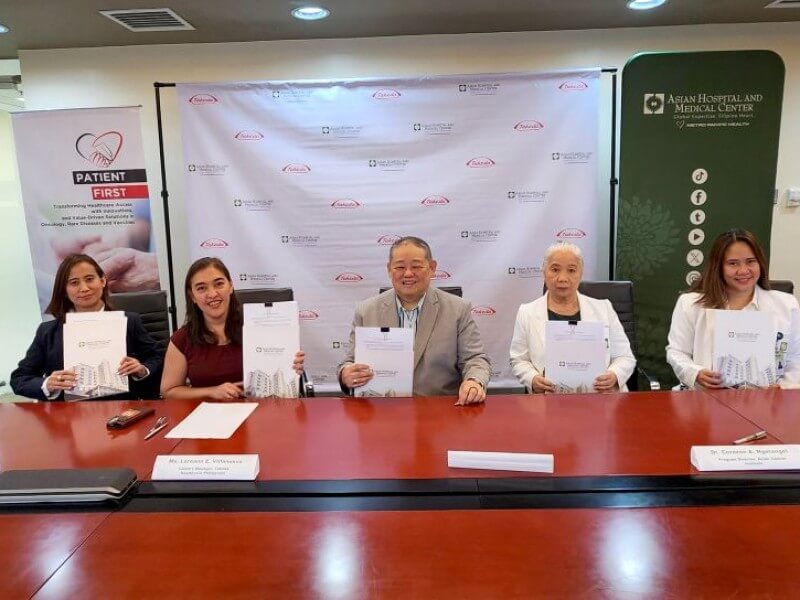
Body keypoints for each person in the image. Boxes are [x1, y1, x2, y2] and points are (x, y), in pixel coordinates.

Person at [338, 236, 491, 405]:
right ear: (389, 270)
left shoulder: (458, 309)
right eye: (400, 267)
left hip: (439, 410)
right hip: (381, 409)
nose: (408, 273)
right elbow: (349, 362)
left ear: (432, 268)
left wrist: (474, 381)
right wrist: (346, 374)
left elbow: (475, 359)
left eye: (416, 266)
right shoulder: (365, 311)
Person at [10, 254, 163, 401]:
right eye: (74, 283)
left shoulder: (129, 321)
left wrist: (142, 370)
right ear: (64, 290)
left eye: (89, 279)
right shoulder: (48, 332)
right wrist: (47, 384)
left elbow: (157, 358)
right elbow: (19, 379)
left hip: (122, 408)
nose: (84, 288)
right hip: (67, 413)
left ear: (102, 281)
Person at [666, 228, 800, 389]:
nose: (743, 270)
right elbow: (677, 352)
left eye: (751, 261)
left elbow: (796, 358)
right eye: (733, 263)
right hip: (705, 396)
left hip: (766, 399)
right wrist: (695, 373)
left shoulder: (787, 305)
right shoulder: (690, 304)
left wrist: (784, 387)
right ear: (718, 267)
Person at [160, 257, 305, 400]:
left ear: (230, 286)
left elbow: (280, 372)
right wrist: (211, 392)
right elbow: (169, 391)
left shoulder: (262, 326)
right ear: (192, 296)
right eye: (202, 288)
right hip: (208, 413)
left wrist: (291, 367)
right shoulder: (182, 339)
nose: (212, 294)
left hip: (262, 409)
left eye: (219, 284)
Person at [509, 242, 636, 393]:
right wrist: (533, 379)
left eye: (571, 270)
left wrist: (614, 375)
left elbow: (624, 357)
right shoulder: (527, 312)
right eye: (555, 269)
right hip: (549, 398)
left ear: (580, 273)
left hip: (600, 397)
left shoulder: (603, 309)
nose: (562, 278)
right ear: (544, 272)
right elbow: (519, 360)